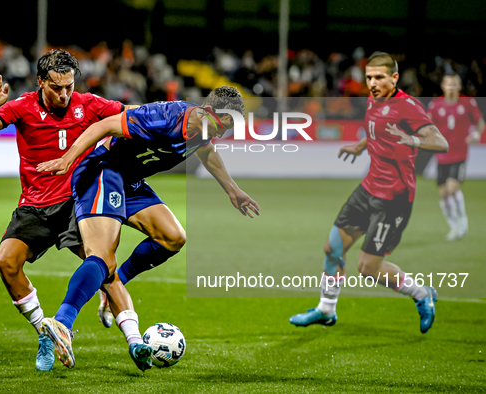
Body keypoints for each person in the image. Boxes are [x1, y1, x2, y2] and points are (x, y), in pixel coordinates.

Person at [36, 86, 260, 369]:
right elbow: (105, 125)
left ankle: (112, 289)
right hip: (103, 170)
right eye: (221, 125)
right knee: (103, 256)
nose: (222, 133)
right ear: (207, 112)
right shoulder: (165, 116)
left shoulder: (202, 131)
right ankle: (62, 323)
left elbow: (207, 151)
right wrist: (69, 159)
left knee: (173, 237)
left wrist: (232, 190)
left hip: (130, 181)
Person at [0, 49, 142, 371]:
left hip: (78, 202)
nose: (64, 95)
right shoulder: (22, 107)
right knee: (6, 261)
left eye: (69, 87)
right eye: (56, 88)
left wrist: (175, 115)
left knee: (104, 264)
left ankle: (136, 341)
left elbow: (131, 112)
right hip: (35, 205)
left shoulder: (88, 103)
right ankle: (47, 335)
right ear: (40, 83)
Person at [289, 52, 449, 334]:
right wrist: (361, 145)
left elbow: (440, 142)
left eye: (379, 78)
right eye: (369, 78)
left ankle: (422, 294)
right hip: (367, 188)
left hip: (394, 199)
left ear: (394, 78)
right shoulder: (374, 101)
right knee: (333, 248)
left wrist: (411, 139)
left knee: (368, 267)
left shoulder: (408, 106)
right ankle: (326, 310)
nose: (373, 83)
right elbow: (379, 129)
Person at [427, 73, 485, 240]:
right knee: (443, 193)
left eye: (454, 84)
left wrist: (475, 135)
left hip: (460, 153)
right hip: (442, 154)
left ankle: (462, 222)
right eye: (448, 84)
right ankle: (454, 226)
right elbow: (428, 124)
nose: (451, 87)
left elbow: (480, 122)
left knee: (452, 188)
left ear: (459, 86)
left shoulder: (468, 103)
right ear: (443, 86)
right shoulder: (436, 104)